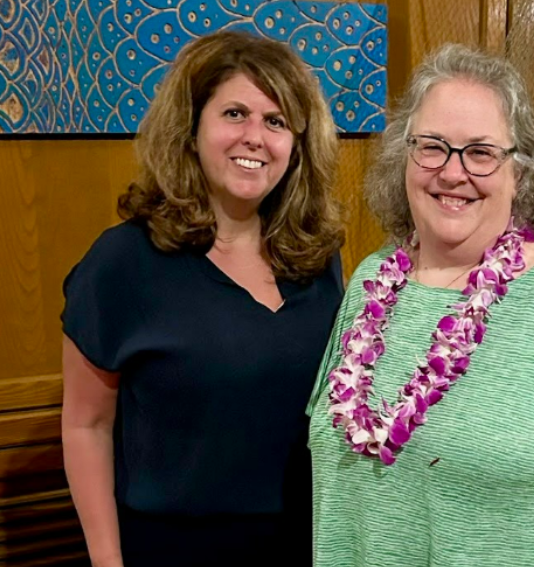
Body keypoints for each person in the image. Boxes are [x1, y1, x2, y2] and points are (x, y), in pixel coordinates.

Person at [307, 44, 534, 567]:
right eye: (431, 147)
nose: (452, 173)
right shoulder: (369, 281)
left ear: (519, 172)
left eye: (480, 153)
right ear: (404, 159)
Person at [60, 31, 345, 567]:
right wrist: (105, 561)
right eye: (235, 114)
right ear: (191, 131)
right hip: (174, 546)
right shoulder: (123, 263)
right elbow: (86, 426)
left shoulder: (318, 258)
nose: (255, 137)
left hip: (311, 541)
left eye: (276, 121)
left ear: (297, 146)